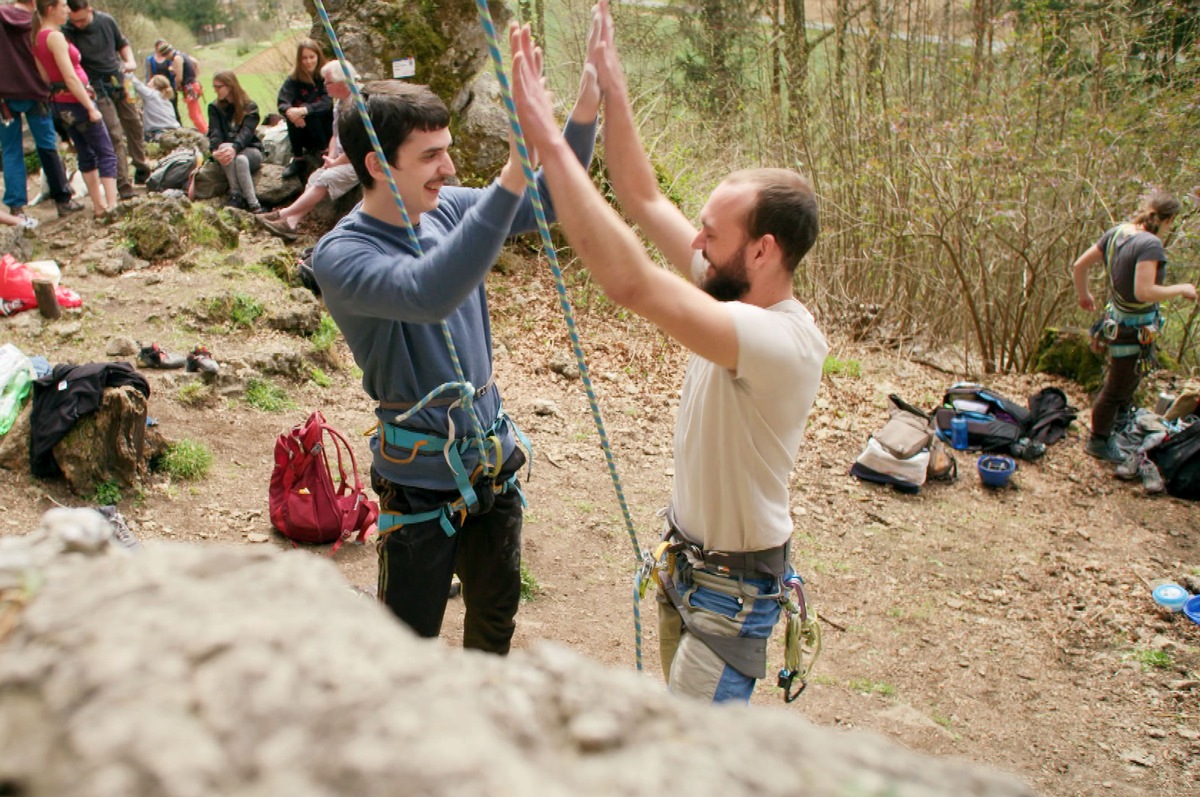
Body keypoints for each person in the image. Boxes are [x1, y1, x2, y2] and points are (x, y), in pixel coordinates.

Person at [507, 4, 827, 703]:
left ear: (763, 250)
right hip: (691, 567)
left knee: (692, 766)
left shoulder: (781, 341)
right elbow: (643, 195)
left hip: (731, 593)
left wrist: (551, 146)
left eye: (710, 233)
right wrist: (613, 90)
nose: (696, 243)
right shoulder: (730, 286)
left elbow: (629, 281)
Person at [311, 57, 601, 654]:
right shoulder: (341, 255)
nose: (448, 167)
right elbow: (429, 291)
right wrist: (512, 176)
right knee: (408, 638)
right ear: (375, 164)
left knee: (496, 616)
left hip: (490, 461)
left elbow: (547, 202)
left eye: (447, 149)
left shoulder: (442, 207)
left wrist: (584, 109)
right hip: (418, 482)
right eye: (430, 156)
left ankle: (483, 729)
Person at [1072, 191, 1196, 462]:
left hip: (1116, 320)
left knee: (1124, 381)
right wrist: (1181, 289)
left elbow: (1080, 265)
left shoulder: (1118, 232)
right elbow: (1144, 292)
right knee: (1117, 386)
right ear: (1168, 219)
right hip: (1130, 327)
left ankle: (1114, 427)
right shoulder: (1150, 245)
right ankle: (1099, 441)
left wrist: (1084, 294)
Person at [32, 0, 118, 219]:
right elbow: (69, 76)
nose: (67, 10)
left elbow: (44, 76)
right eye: (63, 6)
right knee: (105, 152)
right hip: (77, 101)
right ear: (50, 8)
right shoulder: (55, 36)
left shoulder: (36, 37)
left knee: (85, 153)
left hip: (59, 104)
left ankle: (98, 206)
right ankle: (112, 205)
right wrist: (90, 107)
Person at [0, 0, 82, 220]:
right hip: (37, 91)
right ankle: (62, 199)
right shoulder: (42, 20)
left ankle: (16, 207)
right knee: (47, 146)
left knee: (10, 150)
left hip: (5, 95)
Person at [259, 60, 357, 241]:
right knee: (314, 178)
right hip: (341, 159)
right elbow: (335, 136)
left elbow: (360, 147)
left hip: (359, 162)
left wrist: (336, 163)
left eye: (327, 82)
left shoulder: (359, 104)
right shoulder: (339, 104)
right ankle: (291, 223)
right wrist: (332, 157)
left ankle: (282, 214)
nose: (324, 86)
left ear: (341, 82)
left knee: (326, 178)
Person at [62, 0, 150, 198]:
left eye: (82, 19)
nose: (79, 24)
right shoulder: (68, 31)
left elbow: (122, 44)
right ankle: (123, 184)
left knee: (135, 123)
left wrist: (130, 61)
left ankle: (141, 166)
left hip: (121, 79)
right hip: (96, 87)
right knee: (114, 133)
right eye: (74, 20)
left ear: (89, 10)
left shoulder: (106, 21)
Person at [276, 39, 333, 181]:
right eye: (304, 58)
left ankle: (325, 153)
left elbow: (326, 103)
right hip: (303, 130)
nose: (308, 62)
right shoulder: (293, 80)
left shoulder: (325, 77)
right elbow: (282, 102)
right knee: (292, 116)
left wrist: (303, 110)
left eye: (311, 57)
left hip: (324, 128)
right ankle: (298, 159)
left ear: (318, 57)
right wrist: (292, 113)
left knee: (311, 113)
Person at [207, 71, 263, 213]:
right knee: (230, 152)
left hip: (250, 150)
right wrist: (215, 150)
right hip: (228, 153)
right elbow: (215, 131)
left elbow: (247, 132)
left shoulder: (250, 107)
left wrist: (235, 148)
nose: (216, 90)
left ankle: (250, 202)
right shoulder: (214, 107)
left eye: (219, 87)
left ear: (230, 86)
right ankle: (240, 197)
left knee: (241, 159)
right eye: (214, 87)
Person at [147, 41, 205, 134]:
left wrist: (177, 86)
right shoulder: (183, 54)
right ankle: (205, 129)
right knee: (197, 111)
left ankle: (204, 131)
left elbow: (179, 77)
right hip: (194, 85)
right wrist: (195, 77)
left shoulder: (177, 58)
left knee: (194, 114)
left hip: (189, 87)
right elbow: (195, 62)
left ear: (166, 54)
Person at [132, 75, 180, 141]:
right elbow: (160, 116)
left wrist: (128, 72)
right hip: (174, 131)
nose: (147, 84)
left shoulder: (151, 95)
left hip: (159, 134)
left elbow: (137, 85)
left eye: (150, 82)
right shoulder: (166, 101)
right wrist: (143, 114)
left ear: (155, 86)